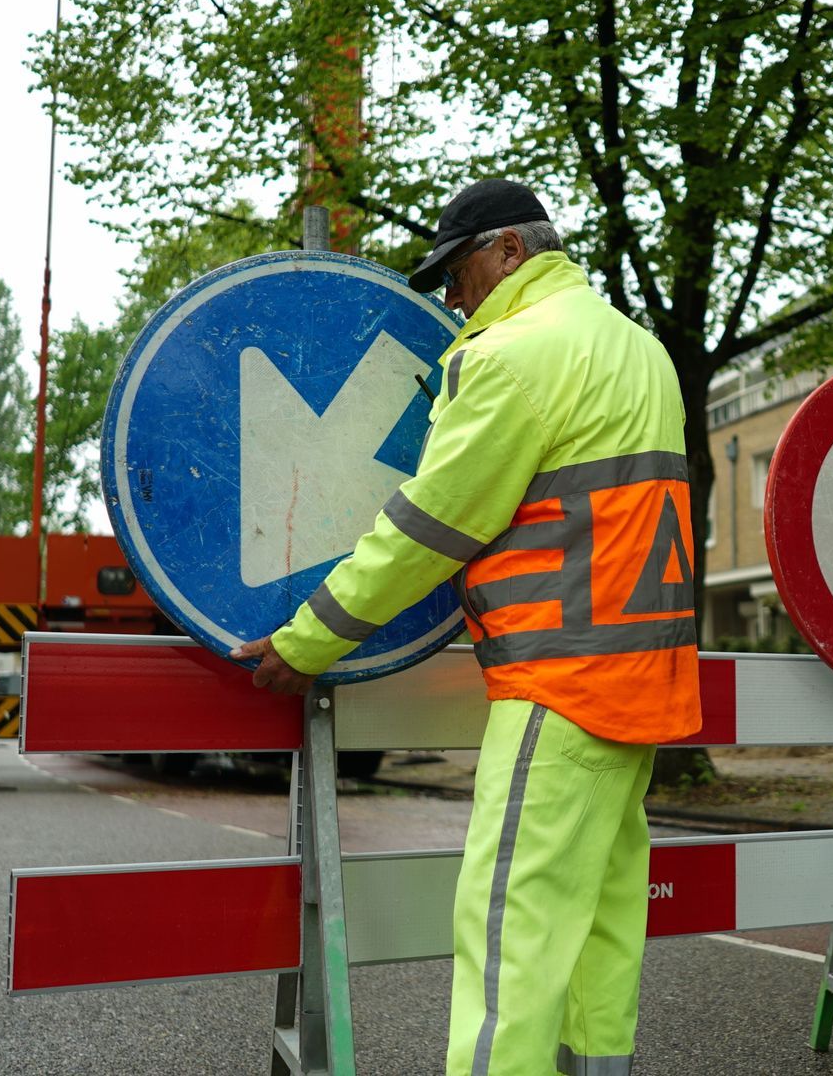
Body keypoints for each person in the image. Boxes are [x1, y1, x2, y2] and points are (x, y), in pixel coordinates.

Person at [232, 177, 701, 1075]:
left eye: (458, 272)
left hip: (559, 685)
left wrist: (307, 639)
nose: (452, 298)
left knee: (507, 932)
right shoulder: (640, 351)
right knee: (603, 930)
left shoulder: (514, 357)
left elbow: (427, 528)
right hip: (647, 685)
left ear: (511, 251)